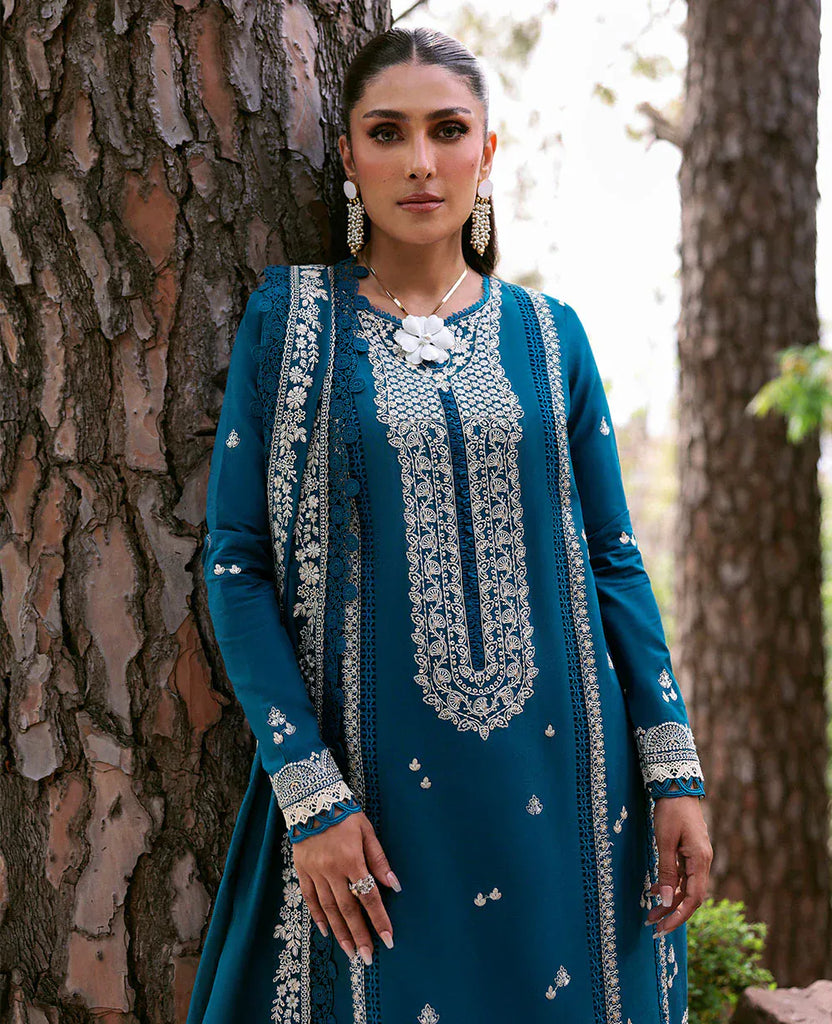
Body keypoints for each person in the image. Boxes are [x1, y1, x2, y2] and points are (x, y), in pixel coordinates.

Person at [186, 25, 713, 1024]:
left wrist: (673, 769)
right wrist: (310, 792)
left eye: (448, 130)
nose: (420, 161)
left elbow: (613, 559)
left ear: (486, 149)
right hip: (370, 805)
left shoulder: (549, 337)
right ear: (348, 157)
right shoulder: (292, 322)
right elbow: (236, 563)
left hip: (567, 793)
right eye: (387, 133)